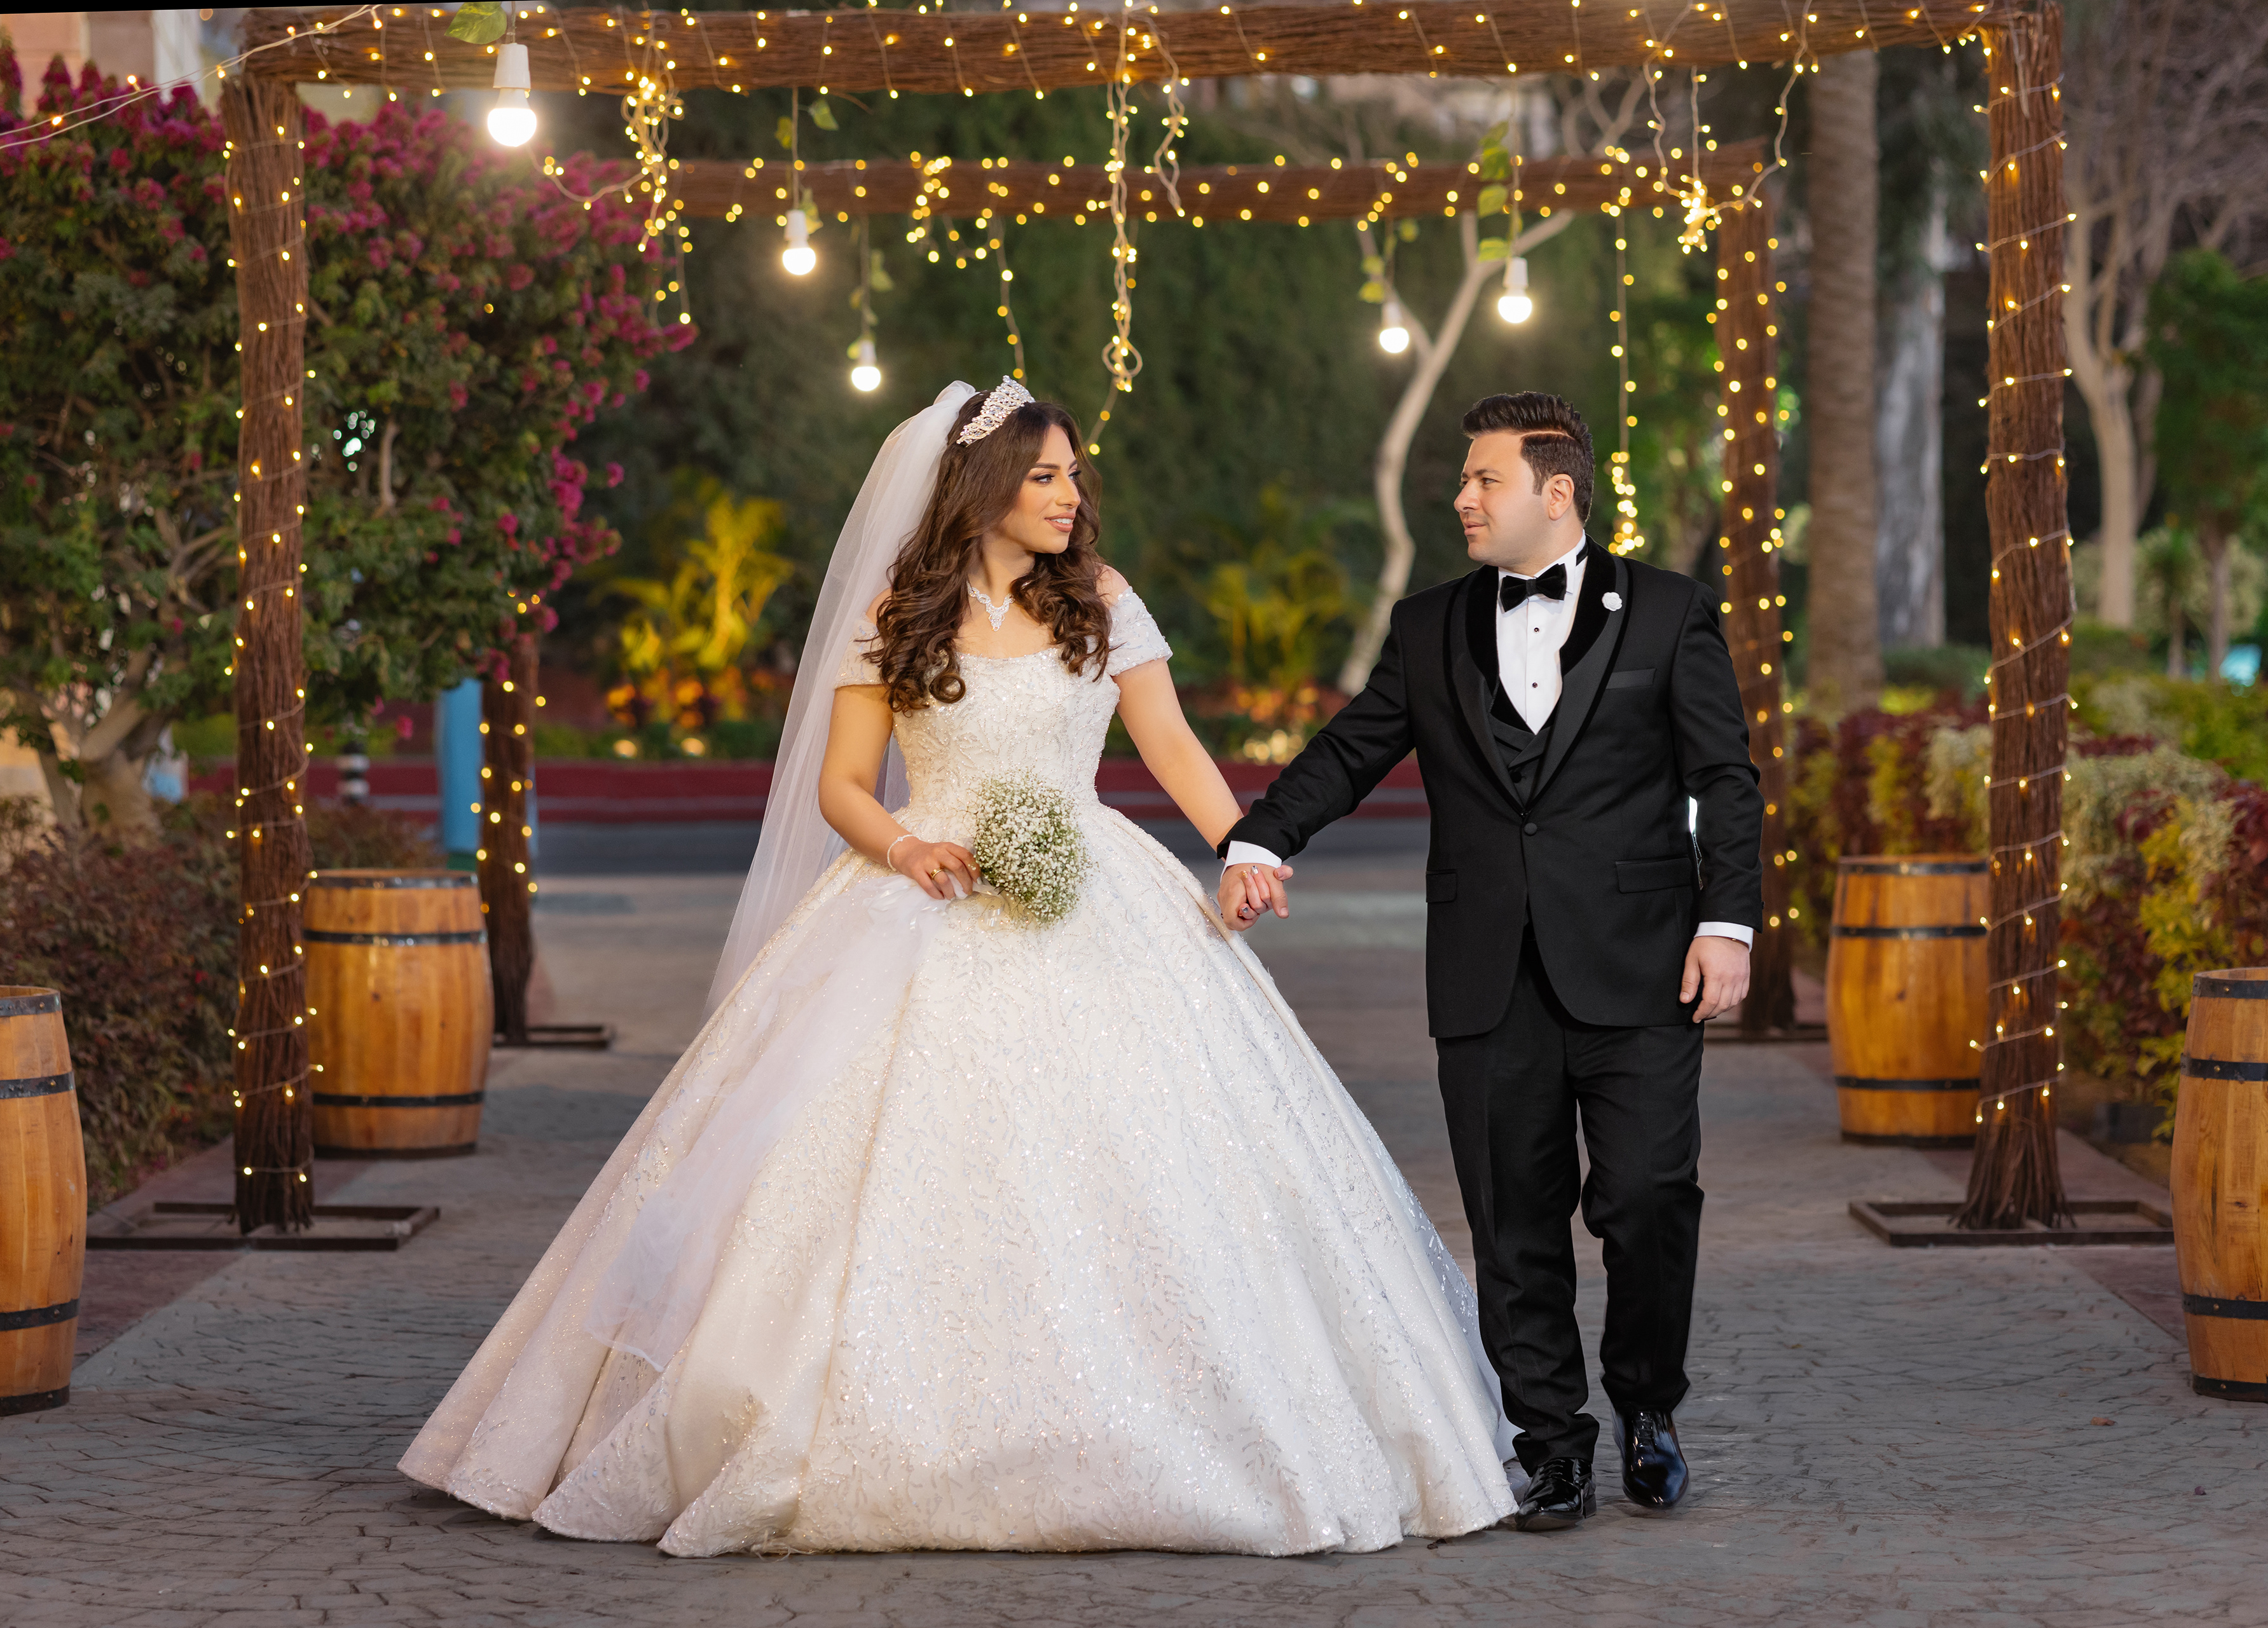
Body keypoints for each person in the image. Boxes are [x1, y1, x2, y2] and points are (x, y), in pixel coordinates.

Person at [399, 379, 1520, 1555]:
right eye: (1045, 477)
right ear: (982, 488)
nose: (1069, 496)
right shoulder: (900, 610)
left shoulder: (1103, 601)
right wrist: (908, 844)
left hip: (1099, 894)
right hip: (918, 896)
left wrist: (1244, 846)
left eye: (1075, 476)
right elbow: (842, 783)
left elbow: (1171, 741)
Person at [1220, 392, 1762, 1531]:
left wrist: (1731, 924)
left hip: (1642, 965)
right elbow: (1354, 746)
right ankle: (1552, 1444)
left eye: (1483, 480)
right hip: (1485, 969)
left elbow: (1727, 780)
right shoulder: (1428, 627)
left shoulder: (1668, 613)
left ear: (1553, 491)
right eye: (1463, 482)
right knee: (1513, 1218)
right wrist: (1263, 835)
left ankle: (1648, 1404)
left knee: (1650, 1198)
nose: (1463, 499)